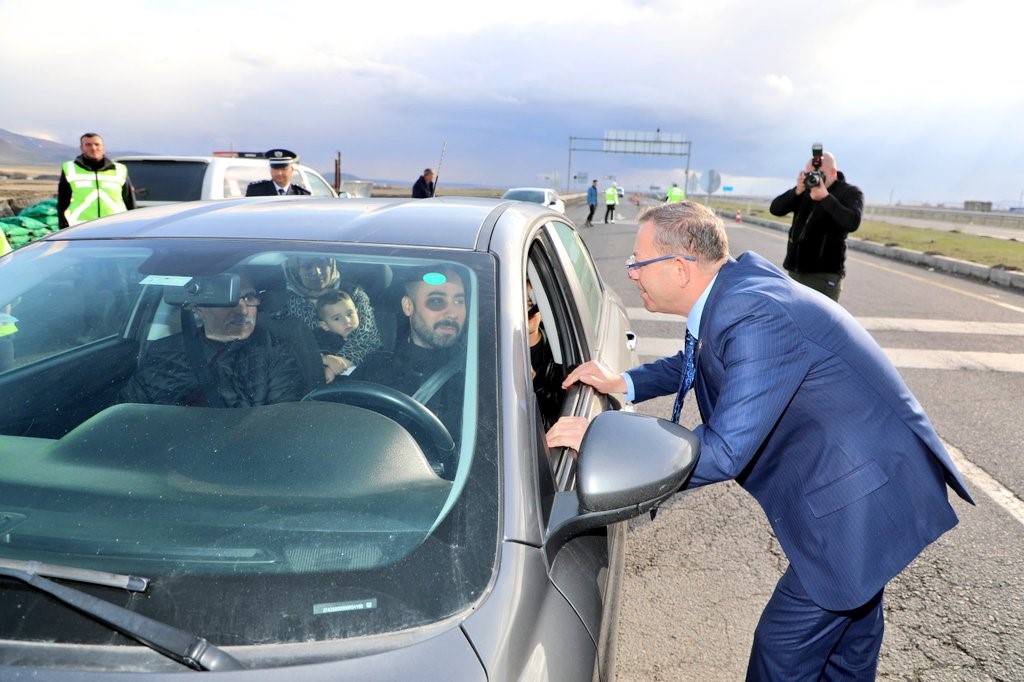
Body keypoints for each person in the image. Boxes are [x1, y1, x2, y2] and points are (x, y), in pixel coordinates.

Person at [546, 201, 974, 681]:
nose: (631, 274)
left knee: (783, 650)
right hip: (860, 479)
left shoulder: (754, 314)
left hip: (860, 498)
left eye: (637, 263)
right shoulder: (733, 293)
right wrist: (624, 383)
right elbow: (703, 359)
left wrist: (613, 446)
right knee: (849, 644)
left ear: (680, 269)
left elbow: (727, 448)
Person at [119, 274, 305, 407]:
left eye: (249, 297)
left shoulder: (276, 353)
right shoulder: (163, 352)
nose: (243, 310)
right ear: (198, 308)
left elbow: (279, 427)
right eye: (227, 299)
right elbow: (125, 415)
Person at [352, 265, 467, 470]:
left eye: (459, 300)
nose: (452, 312)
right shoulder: (374, 368)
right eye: (437, 301)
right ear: (408, 306)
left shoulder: (480, 373)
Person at [769, 147, 863, 302]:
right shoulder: (805, 190)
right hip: (795, 272)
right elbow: (775, 209)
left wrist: (825, 197)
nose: (813, 178)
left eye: (818, 173)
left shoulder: (850, 193)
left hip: (824, 276)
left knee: (819, 324)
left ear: (833, 172)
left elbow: (852, 222)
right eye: (809, 173)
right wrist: (797, 191)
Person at [281, 255, 381, 368]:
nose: (316, 272)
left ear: (331, 265)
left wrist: (335, 366)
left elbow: (368, 337)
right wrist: (322, 360)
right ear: (295, 271)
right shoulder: (285, 302)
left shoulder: (353, 293)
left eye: (321, 264)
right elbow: (289, 348)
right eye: (307, 267)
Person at [57, 132, 136, 228]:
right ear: (81, 148)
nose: (93, 148)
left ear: (103, 148)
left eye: (97, 144)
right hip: (80, 228)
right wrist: (63, 226)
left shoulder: (120, 169)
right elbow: (62, 202)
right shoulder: (69, 168)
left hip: (115, 226)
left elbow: (130, 202)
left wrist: (133, 225)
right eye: (88, 145)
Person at [527, 281, 564, 430]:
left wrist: (534, 380)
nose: (523, 311)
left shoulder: (558, 354)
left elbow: (556, 411)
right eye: (517, 304)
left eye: (530, 305)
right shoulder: (495, 346)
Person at [314, 288, 361, 383]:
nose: (347, 321)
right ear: (325, 325)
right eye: (337, 318)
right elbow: (306, 358)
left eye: (350, 314)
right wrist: (326, 359)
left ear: (357, 312)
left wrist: (333, 370)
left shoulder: (366, 338)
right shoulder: (320, 340)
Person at [245, 149, 311, 196]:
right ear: (270, 170)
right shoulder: (256, 191)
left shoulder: (301, 194)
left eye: (283, 169)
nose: (279, 173)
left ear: (292, 170)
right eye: (276, 169)